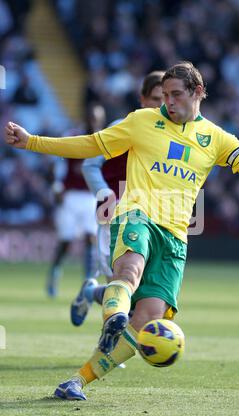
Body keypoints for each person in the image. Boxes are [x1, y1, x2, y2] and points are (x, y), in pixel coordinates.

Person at [4, 62, 239, 401]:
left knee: (148, 319)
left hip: (175, 237)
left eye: (175, 95)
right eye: (164, 96)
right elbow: (90, 145)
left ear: (198, 93)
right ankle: (114, 317)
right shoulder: (141, 121)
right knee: (130, 269)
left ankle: (77, 382)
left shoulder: (215, 138)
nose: (167, 103)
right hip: (136, 215)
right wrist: (33, 142)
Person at [70, 71, 165, 326]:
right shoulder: (122, 127)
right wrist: (105, 195)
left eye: (166, 98)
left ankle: (90, 292)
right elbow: (90, 165)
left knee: (136, 294)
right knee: (120, 285)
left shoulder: (172, 136)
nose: (162, 105)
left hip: (150, 219)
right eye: (156, 98)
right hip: (115, 216)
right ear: (142, 99)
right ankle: (107, 348)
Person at [46, 104, 106, 297]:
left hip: (90, 196)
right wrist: (57, 187)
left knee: (91, 237)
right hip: (71, 195)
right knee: (66, 240)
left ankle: (87, 283)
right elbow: (58, 163)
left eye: (96, 119)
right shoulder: (73, 136)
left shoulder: (105, 140)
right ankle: (54, 273)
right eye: (91, 117)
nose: (93, 122)